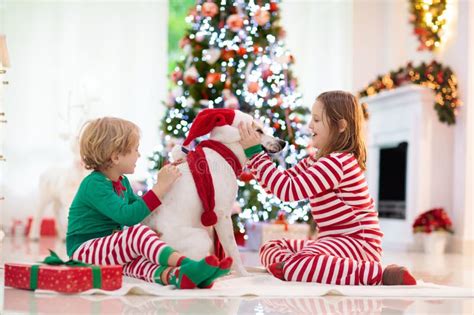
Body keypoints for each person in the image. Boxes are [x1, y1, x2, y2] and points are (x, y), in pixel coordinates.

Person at [239, 91, 416, 285]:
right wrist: (253, 159)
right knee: (271, 247)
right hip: (331, 241)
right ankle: (301, 267)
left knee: (301, 261)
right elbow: (280, 184)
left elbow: (287, 191)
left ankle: (378, 274)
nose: (310, 125)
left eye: (316, 120)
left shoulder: (337, 163)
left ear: (340, 126)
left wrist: (256, 154)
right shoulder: (316, 160)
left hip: (358, 244)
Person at [66, 117, 232, 289]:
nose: (139, 154)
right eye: (135, 150)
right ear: (115, 157)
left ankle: (179, 276)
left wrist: (169, 180)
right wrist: (160, 187)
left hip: (108, 250)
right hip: (84, 252)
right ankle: (185, 264)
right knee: (138, 235)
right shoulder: (94, 185)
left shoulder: (121, 182)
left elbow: (141, 208)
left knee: (140, 262)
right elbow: (129, 216)